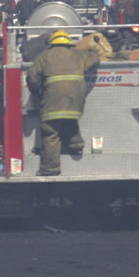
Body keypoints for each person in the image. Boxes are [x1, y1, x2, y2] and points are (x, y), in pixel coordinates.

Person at [26, 30, 102, 176]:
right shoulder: (79, 54)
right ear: (68, 43)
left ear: (51, 43)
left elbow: (32, 78)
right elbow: (95, 58)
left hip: (52, 102)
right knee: (68, 116)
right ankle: (76, 145)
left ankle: (50, 169)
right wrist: (94, 49)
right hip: (76, 102)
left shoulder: (44, 56)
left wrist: (37, 91)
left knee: (51, 132)